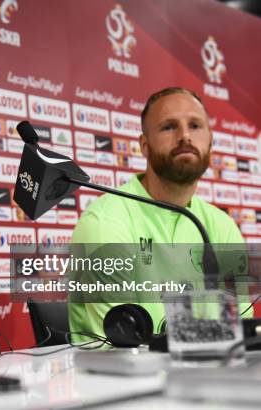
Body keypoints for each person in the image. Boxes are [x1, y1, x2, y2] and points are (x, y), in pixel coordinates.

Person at [68, 87, 249, 339]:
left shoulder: (223, 226)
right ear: (144, 145)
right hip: (117, 376)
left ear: (210, 141)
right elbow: (122, 341)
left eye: (195, 126)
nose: (185, 136)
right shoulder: (105, 222)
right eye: (168, 127)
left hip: (207, 373)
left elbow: (240, 332)